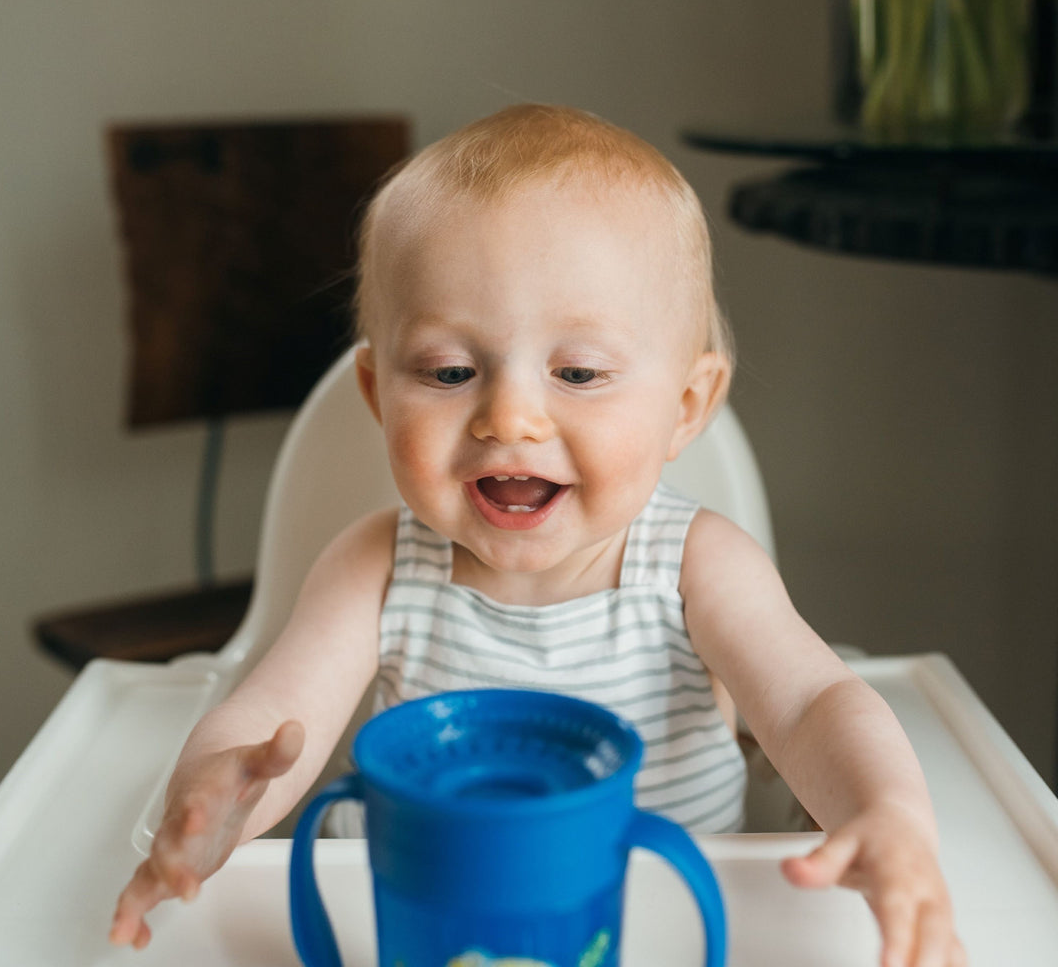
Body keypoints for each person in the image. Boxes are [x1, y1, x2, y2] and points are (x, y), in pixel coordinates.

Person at [110, 104, 964, 966]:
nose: (510, 417)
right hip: (442, 929)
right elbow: (264, 720)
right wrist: (208, 800)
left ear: (685, 408)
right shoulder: (374, 568)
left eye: (578, 373)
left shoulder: (696, 567)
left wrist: (885, 814)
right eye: (450, 371)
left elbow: (815, 707)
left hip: (669, 931)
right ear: (377, 394)